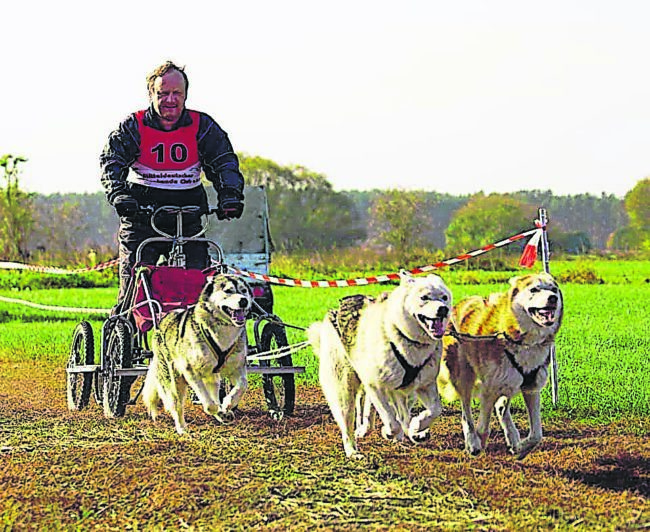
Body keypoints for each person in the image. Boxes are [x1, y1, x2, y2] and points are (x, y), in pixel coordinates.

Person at [100, 60, 245, 309]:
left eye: (176, 93)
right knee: (134, 288)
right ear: (151, 94)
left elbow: (223, 162)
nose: (170, 100)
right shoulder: (133, 127)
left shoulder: (203, 127)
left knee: (199, 287)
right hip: (142, 215)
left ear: (185, 95)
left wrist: (230, 195)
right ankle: (124, 329)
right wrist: (119, 194)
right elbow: (111, 162)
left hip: (188, 214)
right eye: (163, 93)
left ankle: (196, 337)